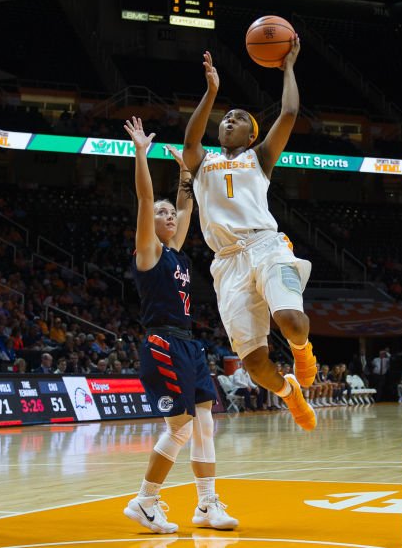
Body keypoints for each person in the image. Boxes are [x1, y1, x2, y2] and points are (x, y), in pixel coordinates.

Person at [182, 42, 318, 431]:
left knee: (291, 320)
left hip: (266, 245)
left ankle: (303, 351)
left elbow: (290, 112)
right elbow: (191, 142)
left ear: (251, 132)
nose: (228, 120)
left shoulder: (258, 158)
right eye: (225, 117)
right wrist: (210, 92)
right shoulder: (202, 161)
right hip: (226, 261)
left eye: (238, 118)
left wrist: (288, 66)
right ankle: (290, 393)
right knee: (256, 365)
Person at [121, 119, 237, 534]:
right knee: (182, 428)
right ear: (149, 224)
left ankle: (207, 504)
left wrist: (186, 174)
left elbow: (188, 206)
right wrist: (141, 154)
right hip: (162, 343)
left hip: (190, 345)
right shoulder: (148, 251)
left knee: (205, 423)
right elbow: (145, 196)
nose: (168, 214)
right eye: (162, 213)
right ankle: (144, 500)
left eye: (169, 213)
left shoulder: (176, 253)